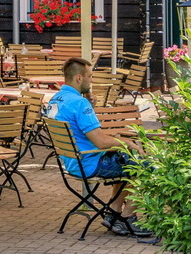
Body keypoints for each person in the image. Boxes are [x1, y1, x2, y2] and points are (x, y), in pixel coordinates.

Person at [44, 57, 152, 238]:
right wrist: (127, 143)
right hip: (89, 162)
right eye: (89, 76)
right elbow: (101, 142)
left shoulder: (56, 99)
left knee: (125, 161)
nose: (91, 81)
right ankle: (127, 217)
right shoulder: (79, 103)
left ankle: (113, 212)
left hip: (72, 161)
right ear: (79, 78)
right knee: (145, 167)